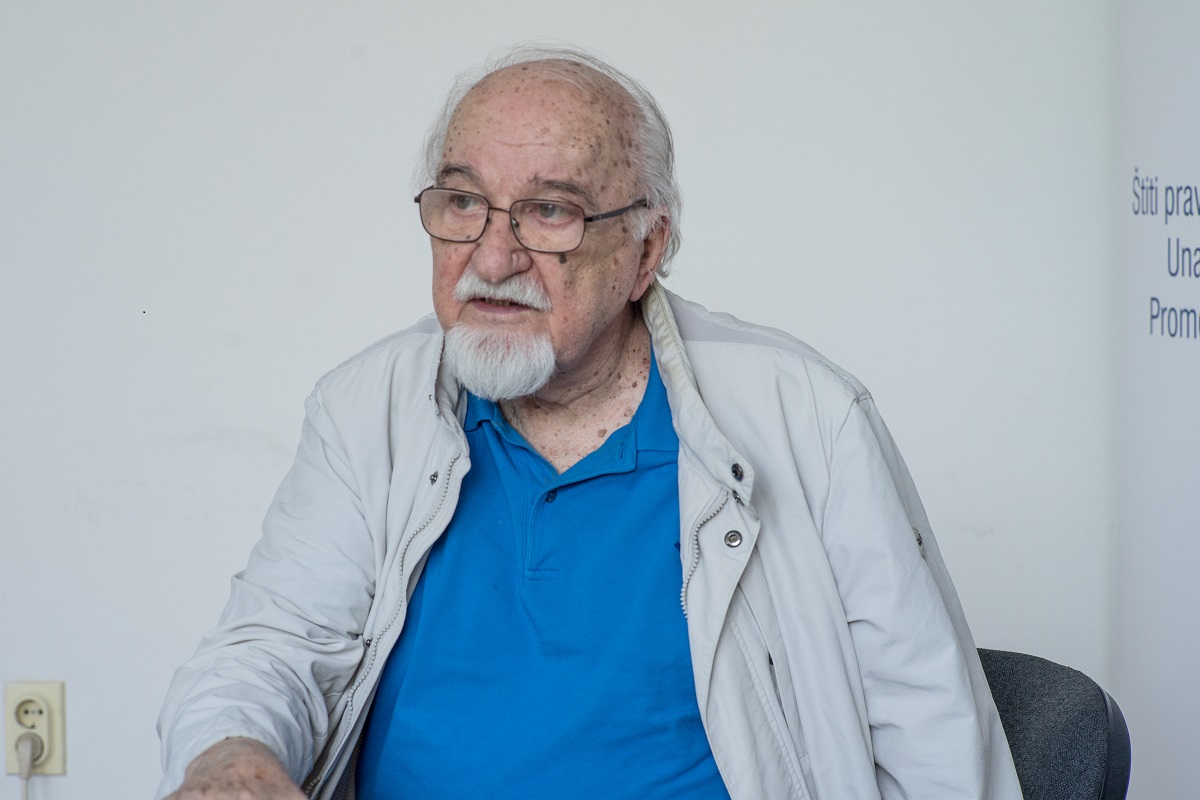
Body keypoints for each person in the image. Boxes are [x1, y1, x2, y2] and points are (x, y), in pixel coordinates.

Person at [157, 45, 1022, 800]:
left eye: (550, 212)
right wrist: (231, 749)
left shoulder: (806, 417)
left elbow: (934, 738)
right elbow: (272, 647)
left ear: (647, 250)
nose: (493, 257)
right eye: (462, 202)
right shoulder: (368, 408)